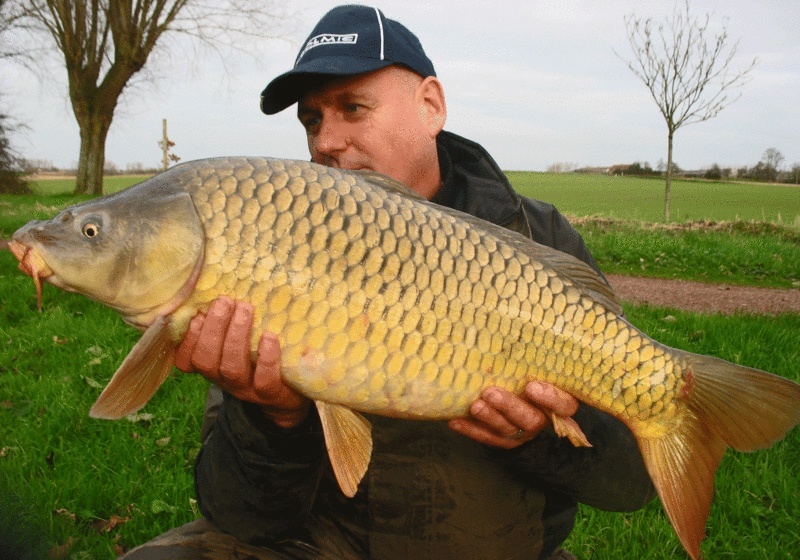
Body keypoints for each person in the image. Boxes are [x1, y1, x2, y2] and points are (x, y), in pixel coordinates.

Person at [122, 6, 654, 560]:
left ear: (430, 106)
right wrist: (273, 416)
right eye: (311, 120)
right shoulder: (272, 237)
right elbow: (240, 514)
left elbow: (626, 483)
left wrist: (539, 438)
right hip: (323, 546)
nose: (326, 141)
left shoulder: (537, 240)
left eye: (353, 108)